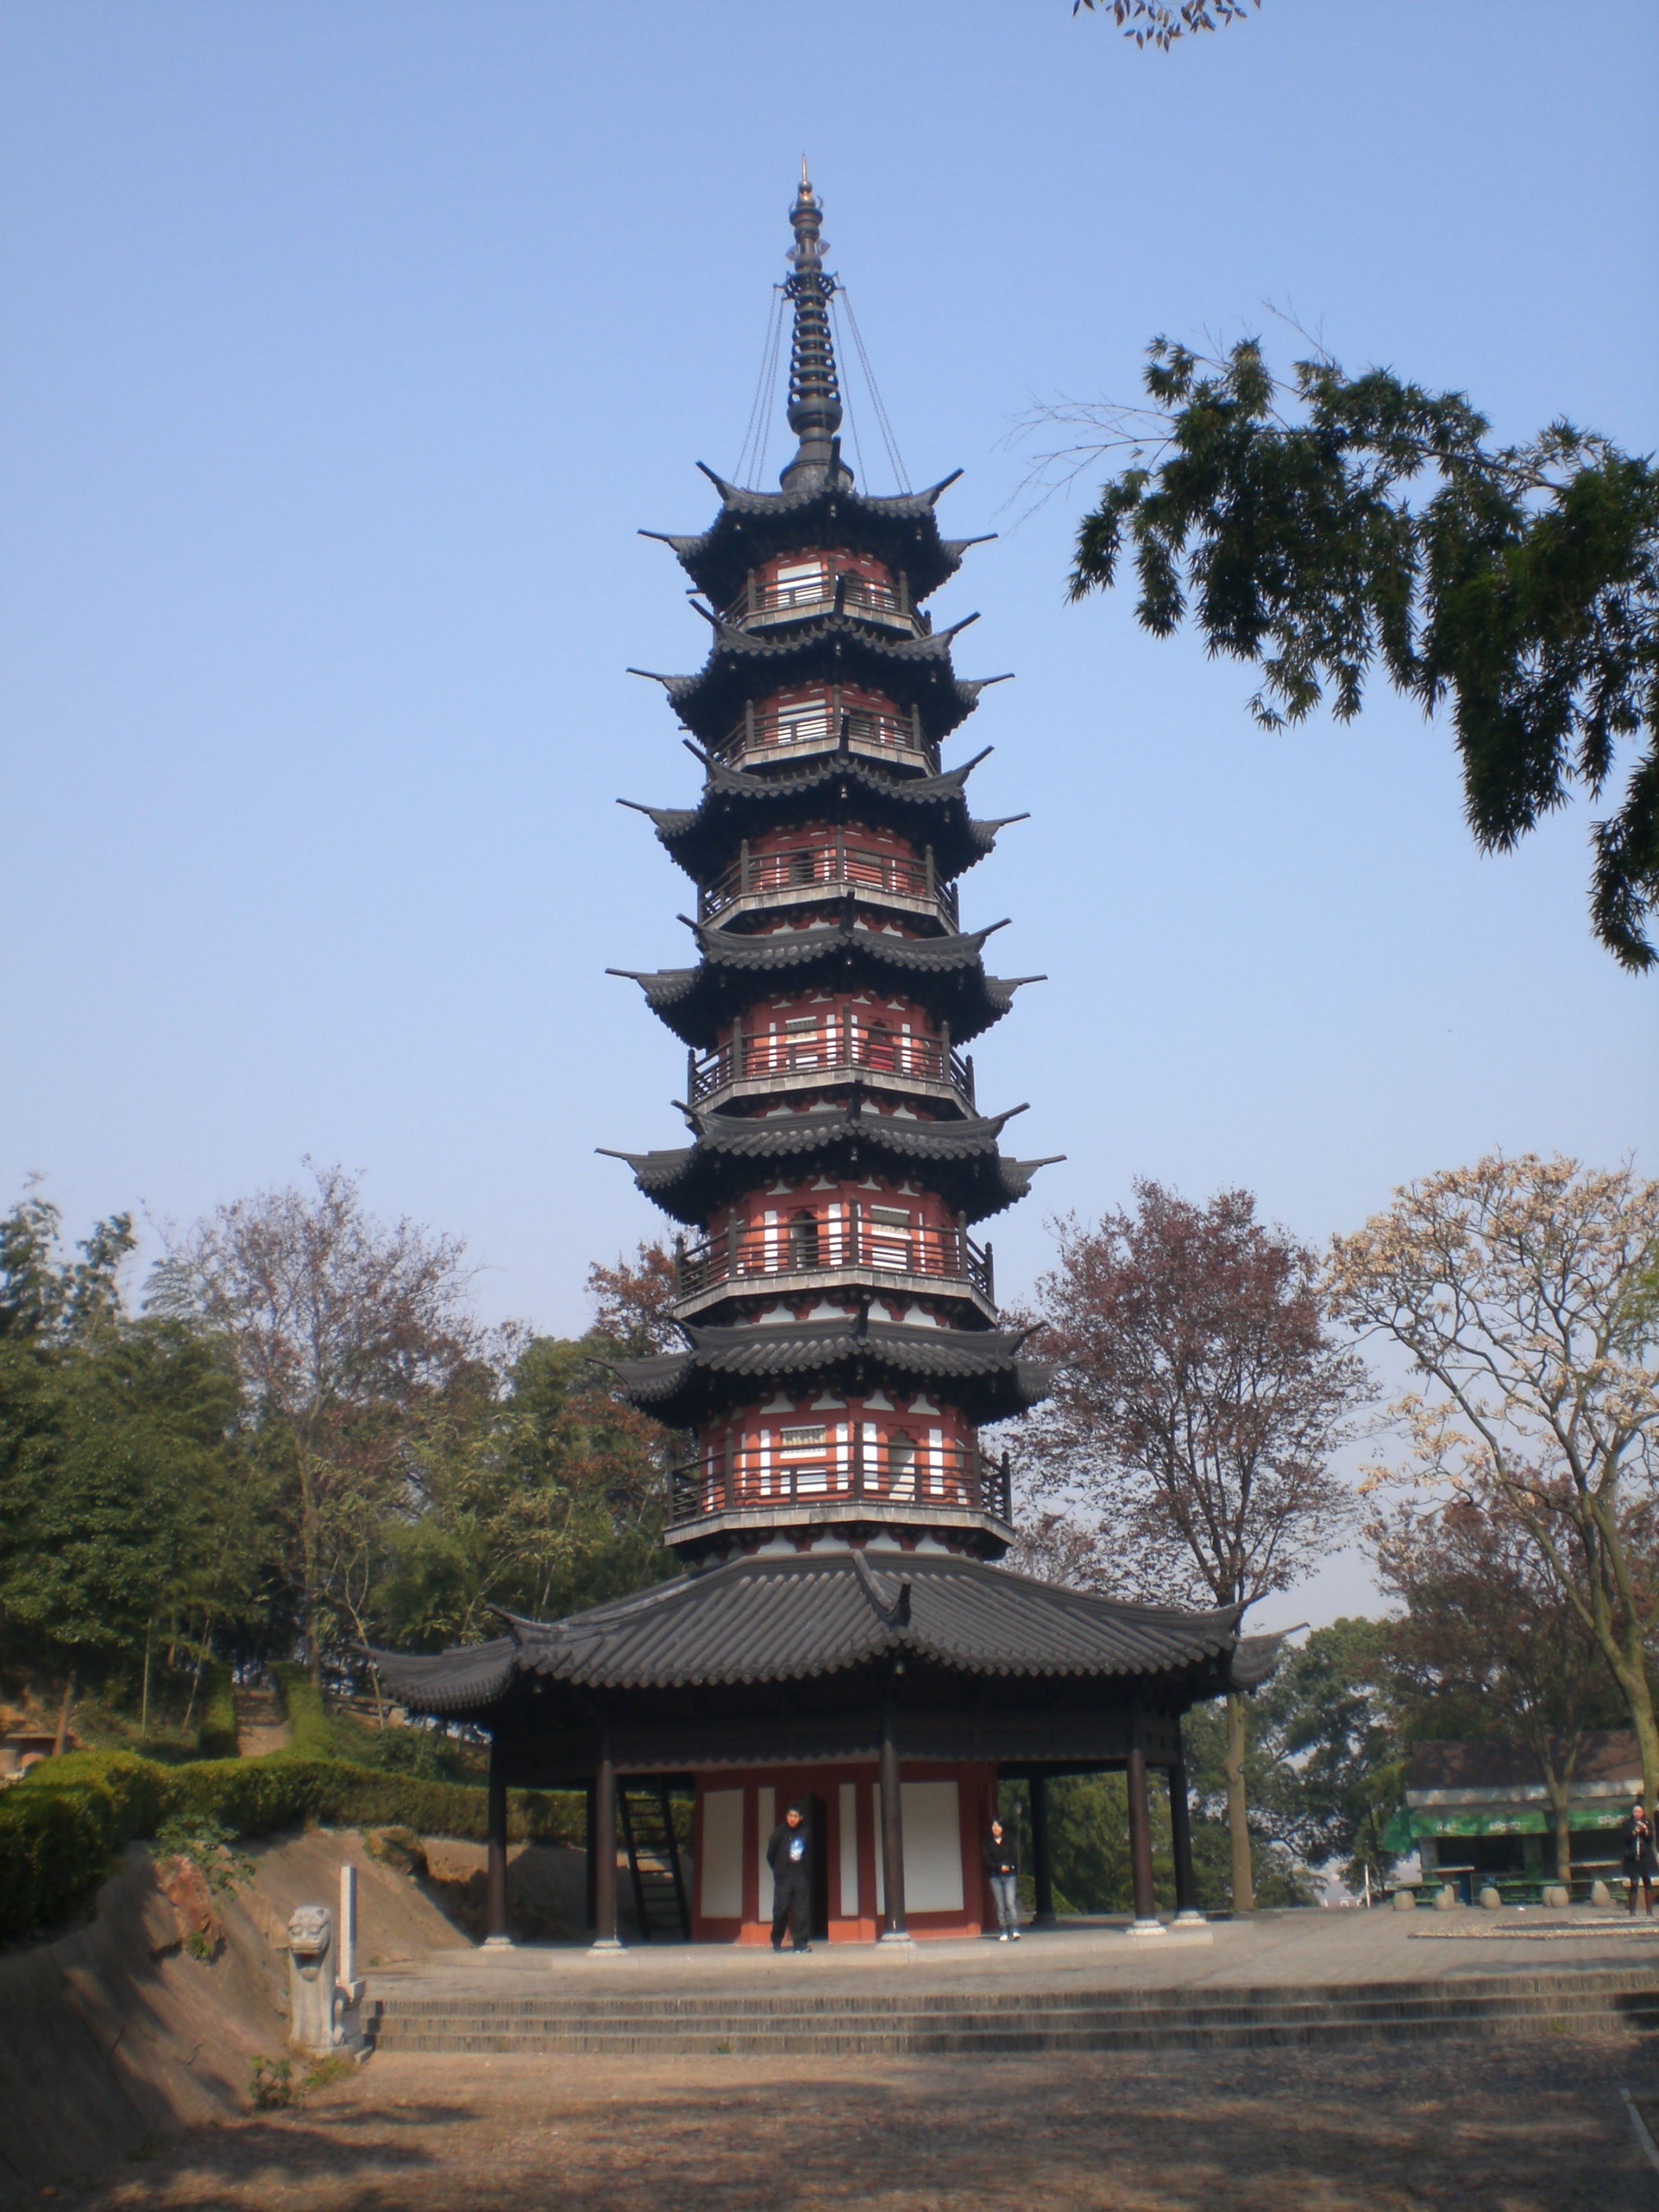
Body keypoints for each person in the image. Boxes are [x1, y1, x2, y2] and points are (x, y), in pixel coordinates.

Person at [767, 1800, 813, 1953]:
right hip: (783, 1878)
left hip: (800, 1877)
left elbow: (810, 1854)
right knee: (781, 1909)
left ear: (801, 1818)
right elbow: (770, 1854)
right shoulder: (779, 1832)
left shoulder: (805, 1832)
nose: (792, 1819)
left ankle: (800, 1944)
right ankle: (777, 1940)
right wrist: (779, 1870)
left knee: (801, 1911)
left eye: (795, 1816)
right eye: (790, 1815)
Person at [983, 1815, 1021, 1941]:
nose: (996, 1828)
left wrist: (1008, 1866)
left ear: (1003, 1828)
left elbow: (1014, 1856)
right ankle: (1003, 1931)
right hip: (995, 1876)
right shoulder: (988, 1843)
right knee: (1000, 1905)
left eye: (998, 1826)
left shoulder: (1009, 1841)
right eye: (994, 1826)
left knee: (1010, 1903)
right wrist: (999, 1867)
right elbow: (987, 1860)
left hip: (1009, 1876)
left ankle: (1014, 1930)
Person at [1623, 1802, 1657, 1916]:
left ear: (1643, 1813)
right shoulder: (1627, 1824)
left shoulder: (1647, 1822)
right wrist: (1635, 1832)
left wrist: (1646, 1830)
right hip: (1633, 1856)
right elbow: (1625, 1839)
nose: (1637, 1814)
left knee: (1647, 1881)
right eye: (1635, 1812)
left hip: (1645, 1856)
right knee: (1634, 1882)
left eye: (1639, 1812)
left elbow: (1651, 1839)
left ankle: (1649, 1911)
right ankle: (1632, 1911)